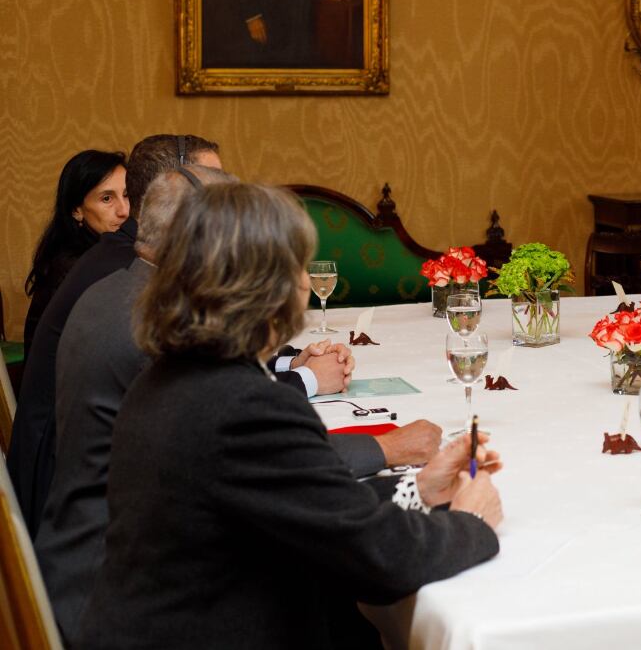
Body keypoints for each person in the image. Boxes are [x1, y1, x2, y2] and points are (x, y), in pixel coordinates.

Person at [79, 183, 502, 650]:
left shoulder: (169, 376)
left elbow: (309, 504)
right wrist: (471, 522)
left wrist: (417, 488)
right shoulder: (245, 406)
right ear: (272, 288)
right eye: (299, 265)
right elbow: (378, 557)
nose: (305, 281)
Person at [8, 134, 222, 532]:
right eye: (214, 187)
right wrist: (301, 380)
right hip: (80, 499)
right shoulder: (130, 271)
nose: (227, 203)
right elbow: (203, 399)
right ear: (173, 192)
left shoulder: (128, 256)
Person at [22, 150, 128, 363]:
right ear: (76, 210)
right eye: (107, 198)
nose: (124, 210)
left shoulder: (110, 252)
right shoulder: (76, 267)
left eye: (127, 195)